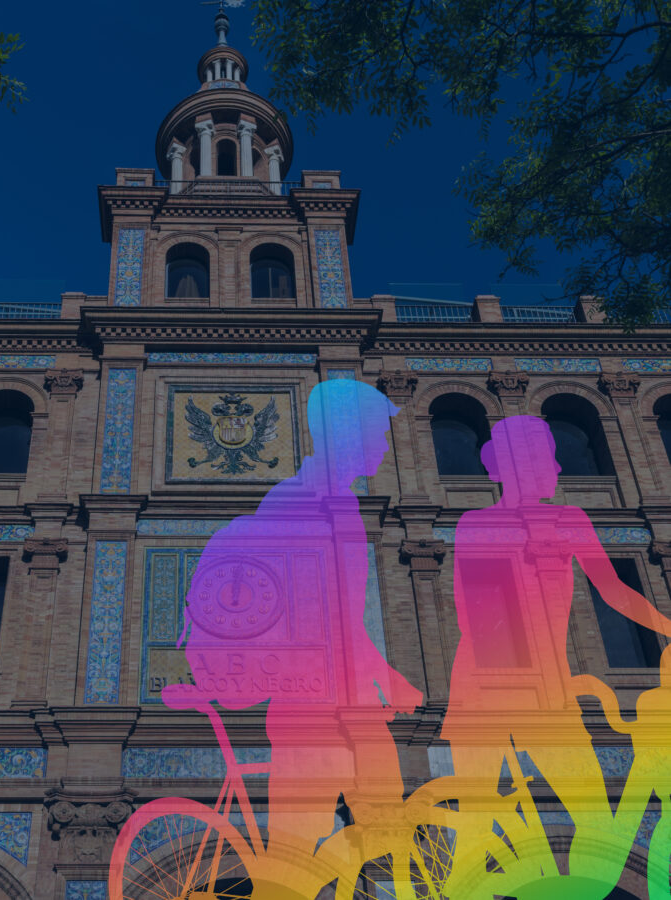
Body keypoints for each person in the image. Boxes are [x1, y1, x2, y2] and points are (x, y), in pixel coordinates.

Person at [163, 379, 422, 886]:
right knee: (294, 864)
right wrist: (384, 679)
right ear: (345, 435)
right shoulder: (296, 506)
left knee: (383, 835)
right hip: (310, 711)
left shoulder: (341, 505)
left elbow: (345, 621)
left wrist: (388, 678)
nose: (384, 444)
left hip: (342, 707)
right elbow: (319, 621)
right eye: (376, 433)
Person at [442, 415, 671, 897]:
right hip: (491, 689)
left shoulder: (570, 520)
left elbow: (615, 591)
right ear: (504, 466)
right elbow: (471, 614)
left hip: (549, 691)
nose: (558, 467)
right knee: (477, 825)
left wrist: (668, 628)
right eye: (546, 457)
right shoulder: (475, 524)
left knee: (596, 820)